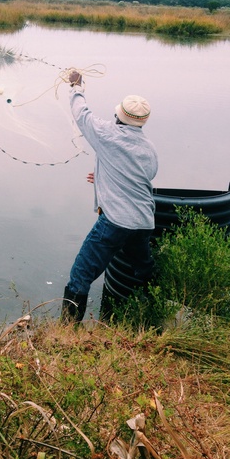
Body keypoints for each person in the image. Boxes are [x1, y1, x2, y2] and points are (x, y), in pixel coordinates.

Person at [61, 70, 158, 323]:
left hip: (114, 222)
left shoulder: (107, 133)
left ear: (118, 115)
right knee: (143, 271)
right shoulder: (149, 148)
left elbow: (82, 114)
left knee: (81, 274)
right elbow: (144, 177)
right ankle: (153, 315)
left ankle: (66, 330)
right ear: (142, 121)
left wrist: (76, 86)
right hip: (144, 223)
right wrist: (105, 176)